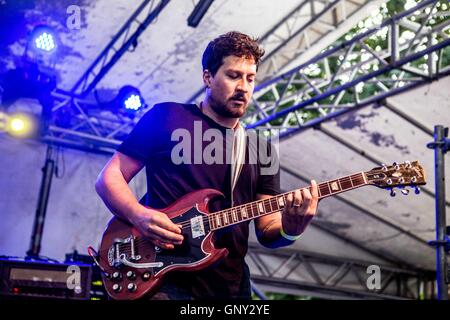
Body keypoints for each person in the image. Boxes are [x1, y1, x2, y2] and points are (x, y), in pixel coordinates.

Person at [95, 31, 319, 299]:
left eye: (250, 78)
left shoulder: (262, 149)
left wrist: (291, 229)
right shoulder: (167, 116)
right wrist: (137, 215)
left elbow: (268, 230)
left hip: (230, 286)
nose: (244, 87)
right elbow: (110, 176)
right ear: (208, 77)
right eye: (234, 75)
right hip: (162, 277)